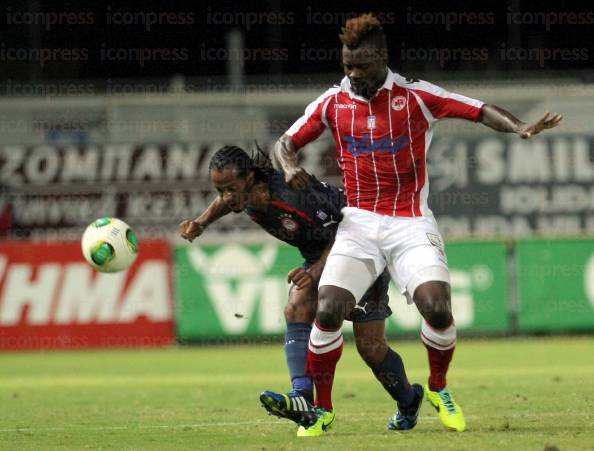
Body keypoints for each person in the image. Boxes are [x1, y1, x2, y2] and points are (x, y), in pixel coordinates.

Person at [274, 13, 563, 434]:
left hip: (409, 221)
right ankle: (322, 411)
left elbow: (478, 110)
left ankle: (438, 387)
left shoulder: (415, 97)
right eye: (346, 65)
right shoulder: (333, 102)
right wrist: (287, 166)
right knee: (330, 309)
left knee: (438, 307)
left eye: (361, 65)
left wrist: (519, 127)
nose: (352, 74)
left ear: (383, 58)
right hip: (359, 223)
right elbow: (285, 141)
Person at [180, 145, 423, 437]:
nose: (227, 197)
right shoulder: (244, 195)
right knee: (296, 308)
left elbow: (347, 231)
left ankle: (409, 400)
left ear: (251, 177)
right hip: (319, 257)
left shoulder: (295, 196)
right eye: (221, 190)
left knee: (371, 349)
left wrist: (315, 271)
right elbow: (225, 202)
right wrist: (201, 223)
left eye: (231, 188)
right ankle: (302, 397)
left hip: (361, 250)